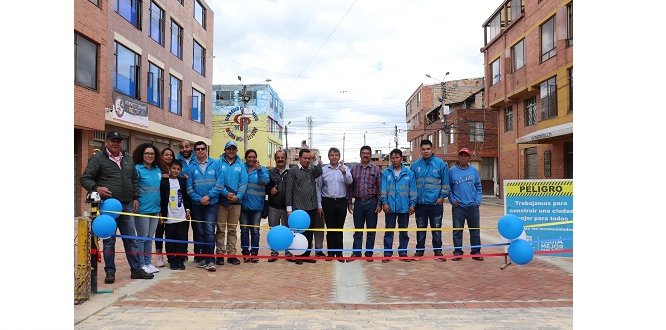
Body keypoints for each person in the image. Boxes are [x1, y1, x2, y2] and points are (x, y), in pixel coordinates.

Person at [79, 131, 153, 282]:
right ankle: (110, 272)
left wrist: (136, 198)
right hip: (108, 207)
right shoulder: (97, 158)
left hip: (127, 206)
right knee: (109, 241)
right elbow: (84, 178)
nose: (115, 143)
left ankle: (136, 269)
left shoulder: (128, 159)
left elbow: (134, 180)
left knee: (131, 239)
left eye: (118, 141)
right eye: (112, 140)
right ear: (106, 142)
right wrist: (96, 188)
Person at [186, 141, 223, 272]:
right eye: (197, 149)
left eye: (202, 149)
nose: (200, 151)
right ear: (195, 151)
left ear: (206, 150)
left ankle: (210, 260)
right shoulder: (191, 166)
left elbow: (220, 183)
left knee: (208, 230)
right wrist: (199, 199)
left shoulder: (216, 164)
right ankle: (202, 258)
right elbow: (189, 188)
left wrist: (208, 196)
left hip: (211, 204)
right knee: (199, 231)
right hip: (197, 205)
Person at [411, 139, 450, 261]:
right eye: (423, 149)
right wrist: (413, 201)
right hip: (420, 204)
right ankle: (419, 252)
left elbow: (446, 183)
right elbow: (412, 185)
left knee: (436, 228)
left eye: (428, 149)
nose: (426, 151)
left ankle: (438, 252)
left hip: (435, 204)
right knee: (421, 228)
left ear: (432, 149)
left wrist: (442, 197)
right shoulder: (415, 165)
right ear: (420, 150)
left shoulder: (441, 164)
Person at [285, 148, 323, 265]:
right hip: (298, 208)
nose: (307, 160)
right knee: (298, 233)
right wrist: (289, 208)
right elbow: (289, 190)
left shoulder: (312, 170)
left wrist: (315, 159)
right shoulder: (293, 171)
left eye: (309, 158)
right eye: (305, 158)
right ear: (299, 158)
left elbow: (319, 171)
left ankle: (307, 255)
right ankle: (298, 255)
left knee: (309, 232)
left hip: (311, 207)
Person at [380, 149, 417, 263]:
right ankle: (387, 254)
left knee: (403, 232)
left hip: (404, 207)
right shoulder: (386, 173)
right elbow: (383, 190)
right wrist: (384, 203)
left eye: (397, 157)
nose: (395, 160)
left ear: (402, 158)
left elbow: (413, 190)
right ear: (390, 159)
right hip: (390, 208)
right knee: (389, 232)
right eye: (393, 158)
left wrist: (413, 204)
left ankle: (403, 253)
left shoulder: (409, 173)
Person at [316, 147, 352, 262]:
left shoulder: (345, 168)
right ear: (329, 157)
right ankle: (331, 253)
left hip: (341, 201)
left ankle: (339, 253)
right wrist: (320, 205)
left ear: (339, 157)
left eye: (336, 155)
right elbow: (319, 188)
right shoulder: (324, 170)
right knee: (330, 228)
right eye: (332, 155)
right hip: (328, 202)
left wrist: (344, 173)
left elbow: (350, 182)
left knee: (339, 228)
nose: (334, 157)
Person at [346, 146, 381, 262]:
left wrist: (379, 204)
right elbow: (350, 187)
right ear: (360, 154)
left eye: (368, 153)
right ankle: (356, 253)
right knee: (358, 230)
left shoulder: (376, 170)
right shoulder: (354, 169)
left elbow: (380, 188)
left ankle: (369, 253)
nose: (365, 155)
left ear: (370, 155)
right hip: (359, 203)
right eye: (363, 153)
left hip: (372, 202)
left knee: (371, 230)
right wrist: (350, 203)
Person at [133, 143, 163, 274]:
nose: (150, 156)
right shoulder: (137, 169)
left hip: (155, 208)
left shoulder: (157, 169)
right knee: (142, 237)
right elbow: (134, 187)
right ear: (142, 154)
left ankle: (148, 262)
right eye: (147, 153)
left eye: (152, 154)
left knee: (150, 237)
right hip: (142, 209)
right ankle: (141, 264)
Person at [216, 141, 248, 266]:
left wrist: (238, 196)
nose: (231, 151)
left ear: (236, 150)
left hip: (236, 202)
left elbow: (243, 183)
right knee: (220, 228)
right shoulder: (218, 163)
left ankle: (231, 254)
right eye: (229, 148)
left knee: (232, 229)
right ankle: (219, 253)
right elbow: (217, 180)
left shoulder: (241, 165)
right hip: (222, 201)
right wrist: (225, 193)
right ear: (225, 149)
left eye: (233, 149)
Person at [449, 148, 484, 261]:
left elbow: (479, 187)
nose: (463, 157)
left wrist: (477, 201)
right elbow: (448, 188)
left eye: (466, 155)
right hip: (458, 206)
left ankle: (476, 252)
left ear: (469, 158)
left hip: (472, 206)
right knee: (457, 230)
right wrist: (452, 200)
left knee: (475, 230)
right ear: (458, 157)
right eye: (461, 155)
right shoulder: (452, 171)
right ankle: (458, 252)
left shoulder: (474, 171)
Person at [160, 160, 192, 270]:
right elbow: (162, 199)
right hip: (169, 216)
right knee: (170, 239)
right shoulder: (164, 181)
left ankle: (180, 259)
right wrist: (162, 214)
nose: (175, 171)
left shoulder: (182, 181)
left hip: (182, 215)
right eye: (173, 168)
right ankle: (172, 260)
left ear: (181, 170)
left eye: (178, 169)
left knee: (182, 239)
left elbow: (186, 197)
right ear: (170, 168)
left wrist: (187, 209)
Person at [240, 149, 269, 262]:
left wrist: (260, 170)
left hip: (257, 206)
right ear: (246, 158)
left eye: (253, 157)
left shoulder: (262, 169)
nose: (251, 159)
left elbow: (265, 181)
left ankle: (254, 253)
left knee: (255, 230)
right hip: (243, 205)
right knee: (244, 229)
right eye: (249, 157)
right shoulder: (242, 169)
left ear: (256, 158)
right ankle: (246, 253)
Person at [266, 149, 290, 262]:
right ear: (275, 159)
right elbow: (265, 186)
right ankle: (274, 252)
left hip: (287, 207)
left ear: (286, 158)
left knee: (288, 231)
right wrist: (270, 190)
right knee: (273, 231)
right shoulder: (270, 172)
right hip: (273, 206)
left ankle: (288, 252)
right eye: (278, 157)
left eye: (282, 157)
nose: (280, 159)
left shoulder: (291, 172)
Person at [154, 147, 175, 267]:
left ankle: (171, 255)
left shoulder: (175, 169)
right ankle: (159, 255)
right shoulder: (157, 169)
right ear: (162, 156)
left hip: (171, 206)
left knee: (170, 231)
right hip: (159, 204)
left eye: (171, 155)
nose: (169, 157)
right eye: (166, 155)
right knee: (159, 230)